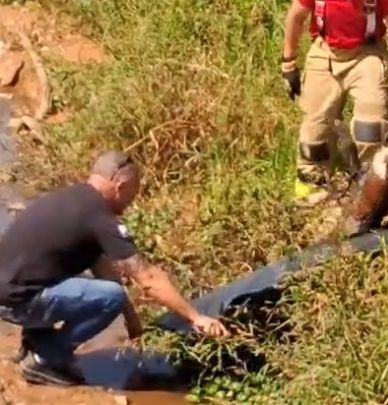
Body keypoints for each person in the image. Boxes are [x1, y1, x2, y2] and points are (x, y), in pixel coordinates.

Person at [0, 151, 230, 387]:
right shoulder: (101, 217)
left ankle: (35, 339)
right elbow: (148, 278)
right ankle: (43, 359)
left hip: (9, 292)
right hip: (17, 301)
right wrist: (196, 317)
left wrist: (131, 318)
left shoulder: (73, 198)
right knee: (111, 296)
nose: (133, 200)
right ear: (121, 185)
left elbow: (99, 265)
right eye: (134, 191)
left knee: (68, 274)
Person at [282, 0, 388, 201]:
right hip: (325, 54)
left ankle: (374, 186)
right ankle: (313, 192)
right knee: (313, 137)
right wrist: (289, 63)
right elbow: (296, 17)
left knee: (370, 129)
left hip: (366, 55)